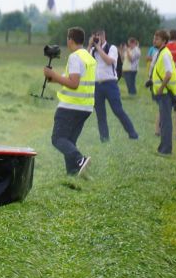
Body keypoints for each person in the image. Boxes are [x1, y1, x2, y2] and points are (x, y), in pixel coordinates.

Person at [43, 27, 96, 176]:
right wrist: (53, 78)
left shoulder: (74, 57)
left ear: (70, 40)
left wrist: (53, 74)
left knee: (58, 139)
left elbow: (74, 83)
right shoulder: (88, 58)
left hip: (70, 106)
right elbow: (72, 80)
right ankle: (73, 173)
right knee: (69, 141)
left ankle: (80, 160)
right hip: (85, 107)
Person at [87, 29, 138, 142]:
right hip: (96, 85)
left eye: (97, 37)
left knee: (118, 110)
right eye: (94, 37)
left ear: (103, 36)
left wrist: (99, 47)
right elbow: (85, 61)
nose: (96, 39)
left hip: (110, 84)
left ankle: (133, 134)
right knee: (100, 114)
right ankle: (104, 139)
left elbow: (109, 61)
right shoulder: (93, 50)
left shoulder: (112, 48)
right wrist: (90, 45)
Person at [148, 29, 176, 155]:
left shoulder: (164, 54)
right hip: (163, 93)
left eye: (157, 39)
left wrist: (160, 88)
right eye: (154, 38)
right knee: (164, 121)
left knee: (165, 122)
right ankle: (163, 147)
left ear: (164, 41)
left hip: (165, 93)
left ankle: (166, 150)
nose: (154, 40)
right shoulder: (160, 52)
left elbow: (169, 74)